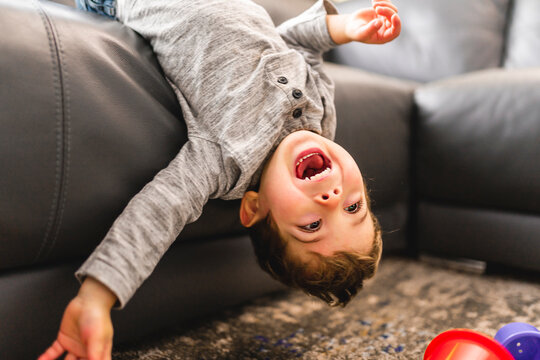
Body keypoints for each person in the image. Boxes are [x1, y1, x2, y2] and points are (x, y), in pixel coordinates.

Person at [39, 0, 400, 359]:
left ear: (254, 208)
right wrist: (348, 29)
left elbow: (159, 213)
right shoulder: (321, 113)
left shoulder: (225, 159)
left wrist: (96, 298)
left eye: (312, 225)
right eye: (354, 207)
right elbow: (295, 42)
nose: (333, 198)